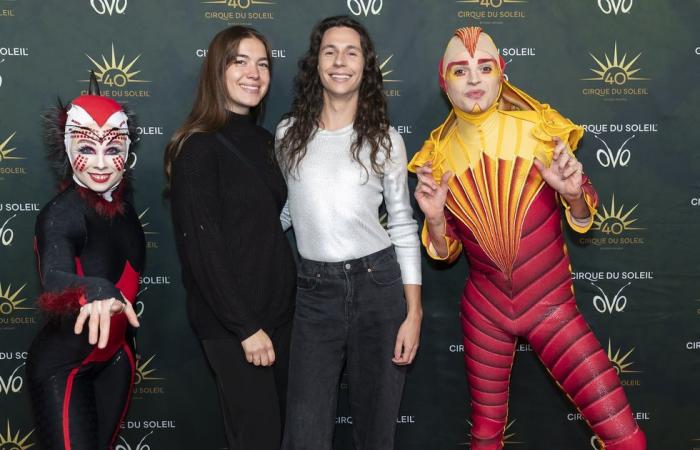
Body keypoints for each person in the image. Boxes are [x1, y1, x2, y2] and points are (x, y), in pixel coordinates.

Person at [409, 26, 646, 450]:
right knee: (485, 436)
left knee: (624, 436)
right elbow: (443, 255)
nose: (475, 79)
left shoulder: (538, 128)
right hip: (485, 311)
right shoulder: (436, 155)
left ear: (502, 73)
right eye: (461, 71)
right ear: (444, 83)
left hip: (550, 305)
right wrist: (435, 219)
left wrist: (573, 195)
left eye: (484, 67)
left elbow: (583, 214)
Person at [276, 15, 422, 450]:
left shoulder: (384, 140)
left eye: (351, 51)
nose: (340, 61)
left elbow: (402, 223)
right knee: (304, 433)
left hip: (379, 288)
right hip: (314, 292)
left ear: (366, 66)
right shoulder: (288, 135)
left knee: (377, 433)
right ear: (316, 63)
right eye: (330, 51)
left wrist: (412, 314)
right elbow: (292, 206)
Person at [165, 25, 296, 450]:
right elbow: (204, 251)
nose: (253, 72)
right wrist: (247, 328)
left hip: (278, 320)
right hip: (237, 326)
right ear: (216, 70)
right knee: (257, 439)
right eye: (239, 61)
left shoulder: (263, 141)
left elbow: (266, 229)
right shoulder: (199, 147)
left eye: (262, 64)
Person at [27, 73, 144, 450]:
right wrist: (96, 288)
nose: (100, 163)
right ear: (66, 149)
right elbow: (55, 278)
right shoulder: (61, 214)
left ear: (127, 153)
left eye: (112, 150)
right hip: (63, 367)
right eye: (86, 148)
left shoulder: (125, 212)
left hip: (117, 360)